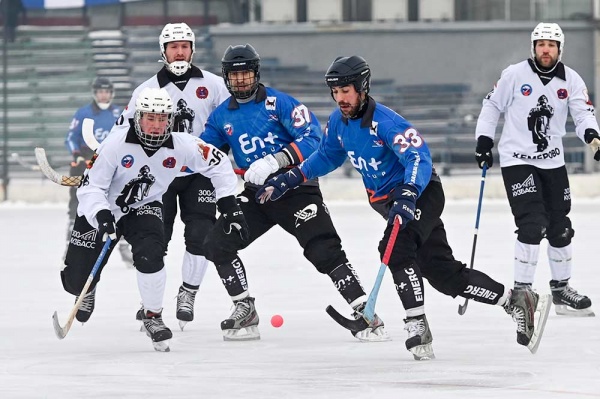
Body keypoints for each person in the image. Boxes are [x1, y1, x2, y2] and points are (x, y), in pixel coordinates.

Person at [257, 55, 547, 360]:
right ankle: (515, 301)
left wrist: (408, 194)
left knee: (394, 249)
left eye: (346, 90)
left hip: (420, 194)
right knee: (444, 274)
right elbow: (326, 157)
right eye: (336, 92)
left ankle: (416, 324)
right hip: (392, 203)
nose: (341, 98)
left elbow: (418, 158)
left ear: (362, 87)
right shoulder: (339, 125)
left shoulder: (386, 122)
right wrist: (289, 178)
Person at [201, 44, 388, 343]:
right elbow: (204, 155)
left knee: (324, 250)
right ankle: (244, 307)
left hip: (296, 188)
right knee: (216, 243)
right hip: (258, 196)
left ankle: (365, 313)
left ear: (257, 73)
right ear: (225, 78)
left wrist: (275, 161)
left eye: (246, 74)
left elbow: (315, 139)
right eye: (234, 76)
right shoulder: (221, 116)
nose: (240, 81)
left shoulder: (280, 104)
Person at [60, 87, 248, 351]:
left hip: (144, 206)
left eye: (163, 119)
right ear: (138, 118)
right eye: (151, 118)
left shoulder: (182, 144)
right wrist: (101, 215)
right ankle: (86, 289)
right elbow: (90, 188)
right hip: (103, 209)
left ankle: (153, 315)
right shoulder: (115, 144)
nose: (157, 125)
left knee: (151, 255)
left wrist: (227, 200)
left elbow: (218, 163)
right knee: (74, 280)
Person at [112, 22, 231, 330]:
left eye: (185, 46)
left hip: (199, 173)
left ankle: (188, 293)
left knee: (200, 235)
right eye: (173, 46)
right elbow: (121, 131)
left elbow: (232, 123)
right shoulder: (146, 90)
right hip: (159, 175)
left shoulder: (214, 85)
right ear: (163, 51)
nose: (179, 51)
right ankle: (151, 306)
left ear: (192, 49)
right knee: (155, 241)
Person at [474, 22, 595, 317]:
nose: (545, 49)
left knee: (560, 226)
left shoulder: (572, 80)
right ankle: (522, 292)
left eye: (551, 45)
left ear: (559, 49)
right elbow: (492, 107)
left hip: (553, 162)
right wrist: (483, 141)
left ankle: (561, 290)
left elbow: (583, 114)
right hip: (518, 160)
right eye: (541, 44)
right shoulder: (515, 74)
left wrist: (593, 137)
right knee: (532, 223)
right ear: (534, 47)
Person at [64, 77, 134, 267]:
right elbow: (71, 138)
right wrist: (77, 154)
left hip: (111, 163)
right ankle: (71, 243)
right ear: (95, 93)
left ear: (111, 93)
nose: (104, 95)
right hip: (83, 162)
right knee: (78, 202)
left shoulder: (120, 113)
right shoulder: (83, 113)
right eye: (100, 91)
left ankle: (125, 246)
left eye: (107, 91)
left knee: (119, 201)